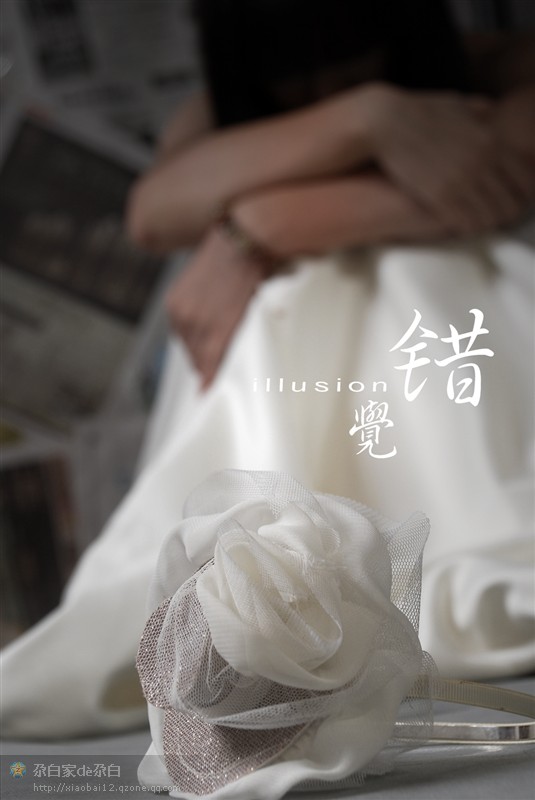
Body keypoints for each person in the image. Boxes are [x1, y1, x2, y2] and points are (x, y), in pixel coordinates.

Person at [1, 0, 533, 740]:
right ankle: (287, 585)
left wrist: (256, 227)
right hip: (301, 329)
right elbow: (155, 211)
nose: (325, 84)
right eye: (298, 78)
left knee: (395, 282)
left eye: (354, 64)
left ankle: (400, 568)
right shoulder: (216, 111)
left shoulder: (503, 63)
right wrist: (370, 119)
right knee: (277, 309)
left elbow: (501, 177)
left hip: (451, 322)